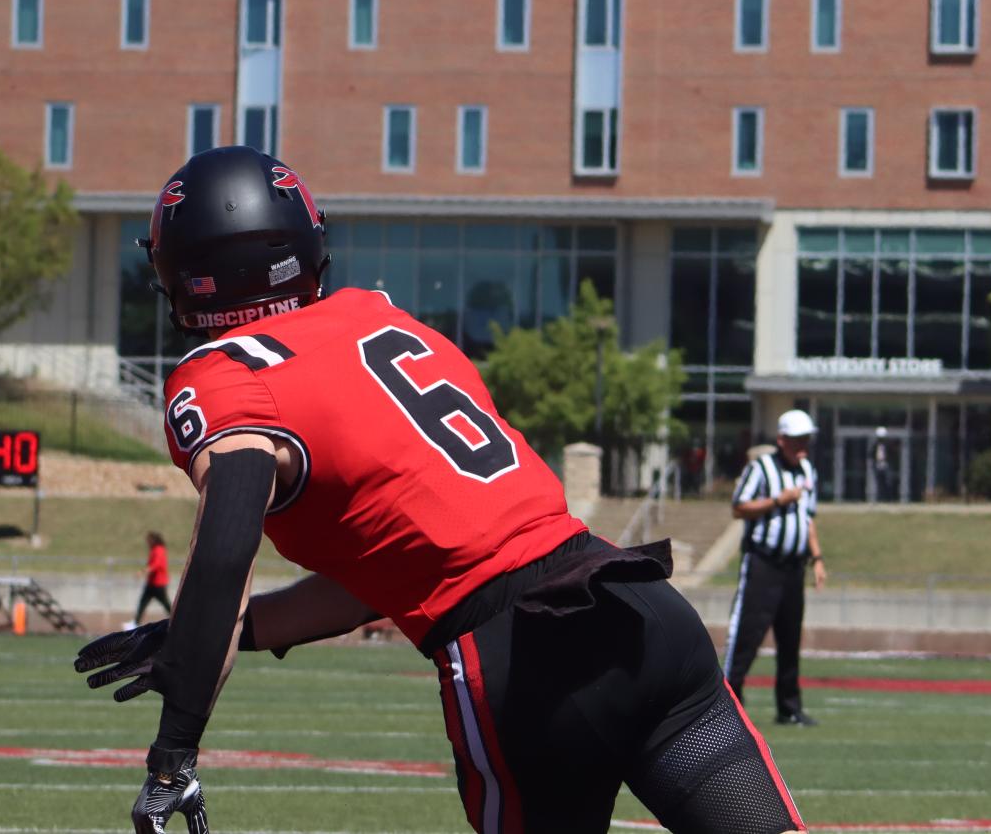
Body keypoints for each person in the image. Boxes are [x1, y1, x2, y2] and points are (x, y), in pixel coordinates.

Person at [72, 146, 802, 834]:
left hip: (523, 658)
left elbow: (227, 544)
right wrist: (229, 629)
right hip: (637, 608)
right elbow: (393, 575)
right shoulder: (382, 320)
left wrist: (175, 750)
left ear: (182, 273)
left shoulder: (222, 376)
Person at [724, 409, 826, 727]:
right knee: (747, 636)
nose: (803, 447)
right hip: (763, 564)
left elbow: (808, 519)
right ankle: (729, 704)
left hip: (794, 567)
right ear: (781, 440)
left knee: (790, 638)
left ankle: (789, 706)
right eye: (797, 440)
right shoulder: (762, 468)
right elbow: (739, 507)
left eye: (806, 440)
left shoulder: (808, 470)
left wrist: (818, 558)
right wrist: (777, 501)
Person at [133, 532, 172, 627]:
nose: (147, 543)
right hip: (152, 583)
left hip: (158, 583)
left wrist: (142, 572)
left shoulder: (159, 550)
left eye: (149, 540)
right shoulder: (154, 550)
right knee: (143, 603)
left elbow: (156, 564)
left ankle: (177, 619)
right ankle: (135, 623)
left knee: (166, 604)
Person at [870, 426, 895, 503]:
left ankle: (889, 499)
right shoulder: (875, 445)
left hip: (886, 465)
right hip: (877, 465)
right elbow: (871, 454)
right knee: (879, 483)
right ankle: (879, 499)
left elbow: (892, 454)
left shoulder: (888, 445)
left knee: (888, 482)